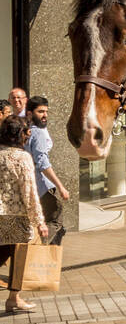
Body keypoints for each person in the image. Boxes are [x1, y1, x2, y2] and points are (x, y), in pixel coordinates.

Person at [0, 114, 49, 313]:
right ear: (20, 135)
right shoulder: (22, 158)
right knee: (19, 258)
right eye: (26, 131)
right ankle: (13, 298)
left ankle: (14, 299)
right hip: (17, 216)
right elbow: (29, 191)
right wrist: (40, 221)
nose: (28, 135)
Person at [25, 96, 69, 243]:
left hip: (31, 187)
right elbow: (43, 164)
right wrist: (60, 186)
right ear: (30, 113)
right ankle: (35, 249)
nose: (45, 115)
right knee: (55, 218)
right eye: (41, 112)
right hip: (43, 187)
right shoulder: (37, 133)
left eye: (46, 112)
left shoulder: (26, 132)